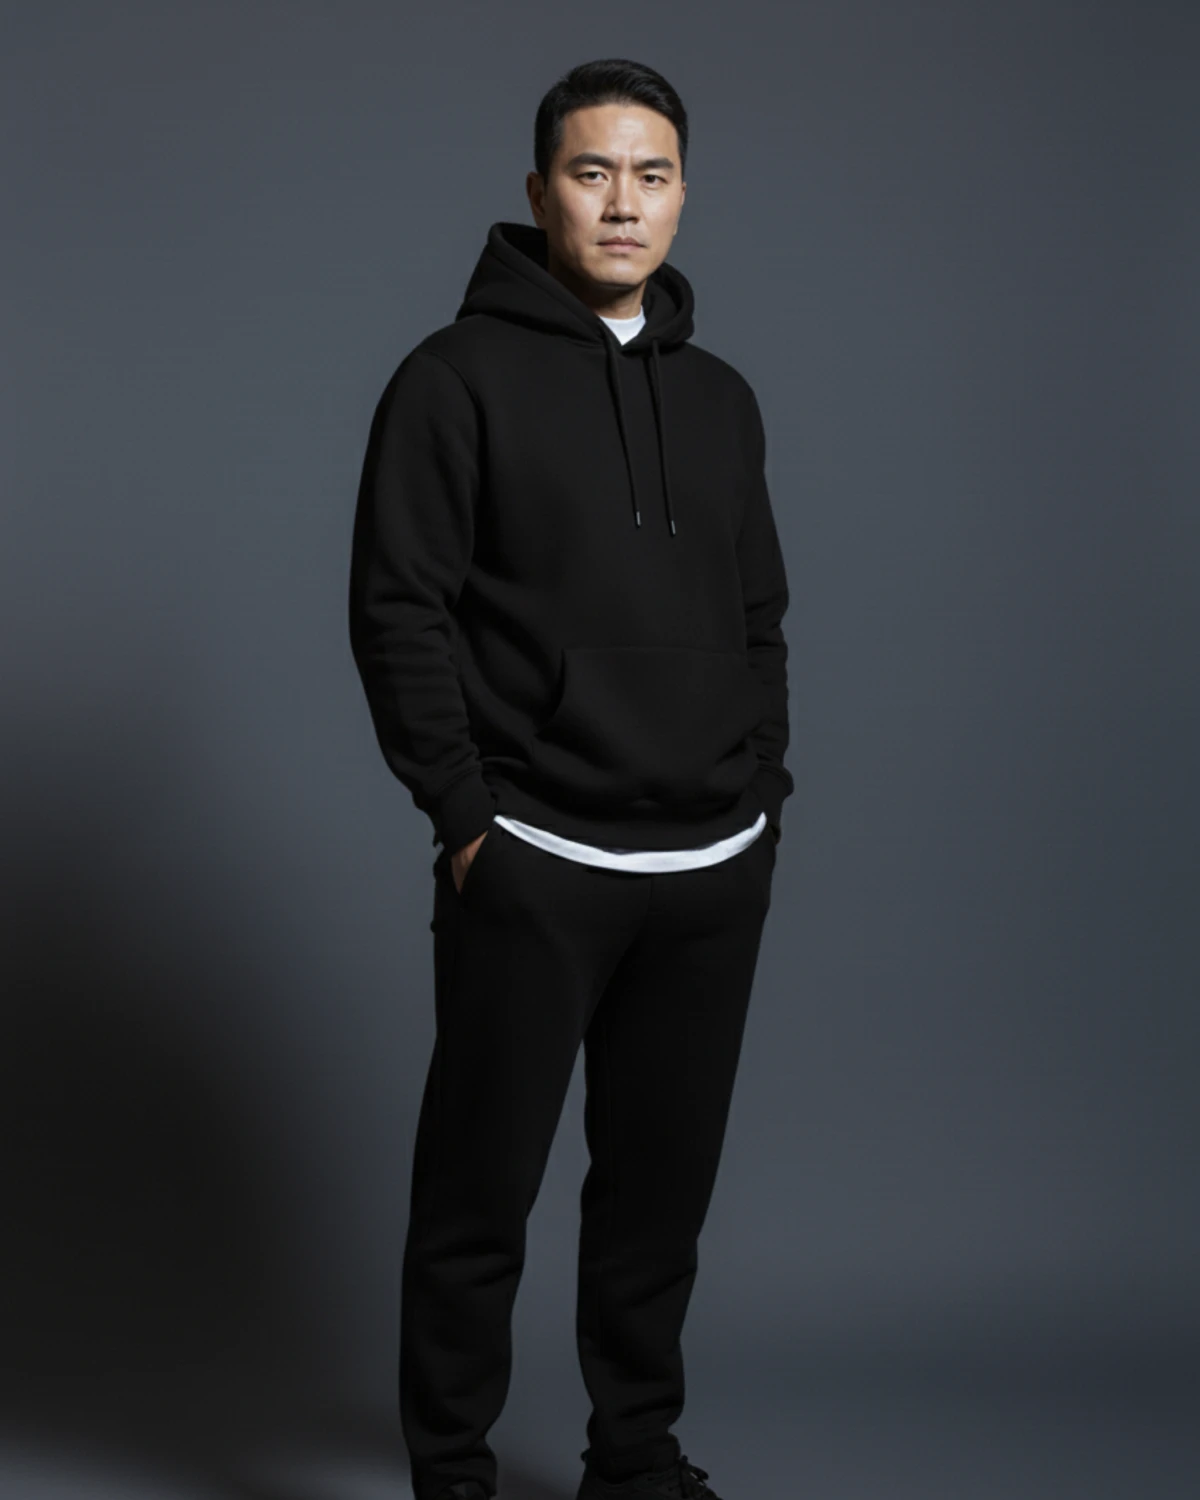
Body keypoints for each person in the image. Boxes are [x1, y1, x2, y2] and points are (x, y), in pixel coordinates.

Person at [349, 56, 793, 1500]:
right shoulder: (450, 380)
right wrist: (464, 816)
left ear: (683, 195)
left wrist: (761, 798)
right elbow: (398, 611)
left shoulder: (722, 399)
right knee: (479, 1197)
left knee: (658, 1203)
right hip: (535, 858)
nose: (622, 203)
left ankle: (636, 1459)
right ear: (540, 191)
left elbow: (760, 617)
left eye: (650, 175)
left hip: (708, 867)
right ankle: (453, 1475)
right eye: (592, 173)